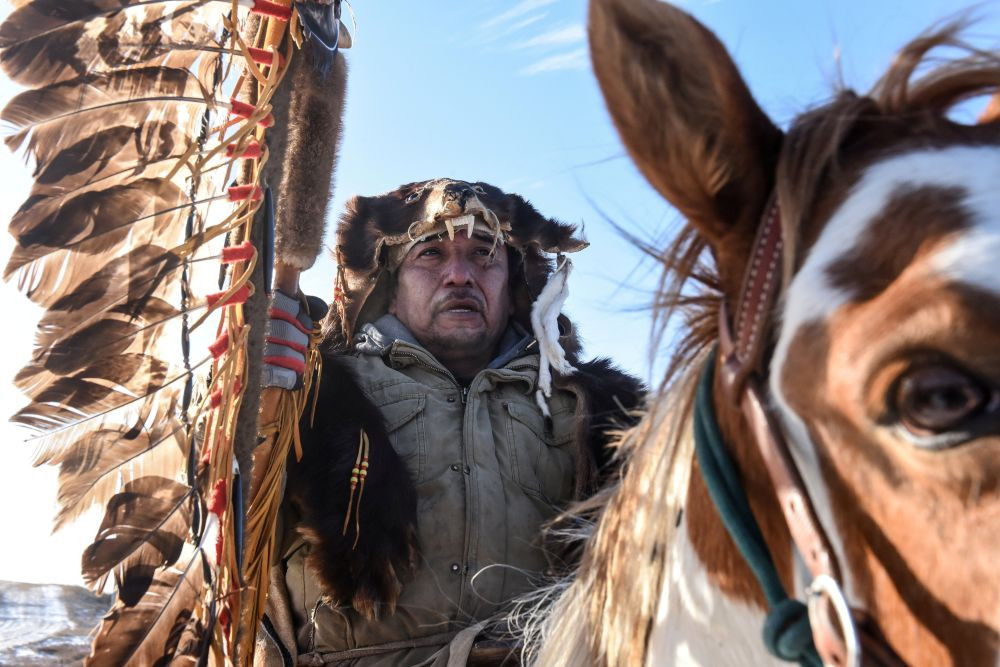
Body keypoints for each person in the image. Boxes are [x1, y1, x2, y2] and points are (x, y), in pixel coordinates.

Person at [255, 178, 643, 666]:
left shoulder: (599, 408)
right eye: (431, 254)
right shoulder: (312, 392)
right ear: (390, 289)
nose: (460, 275)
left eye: (484, 254)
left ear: (514, 287)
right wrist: (249, 405)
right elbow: (227, 532)